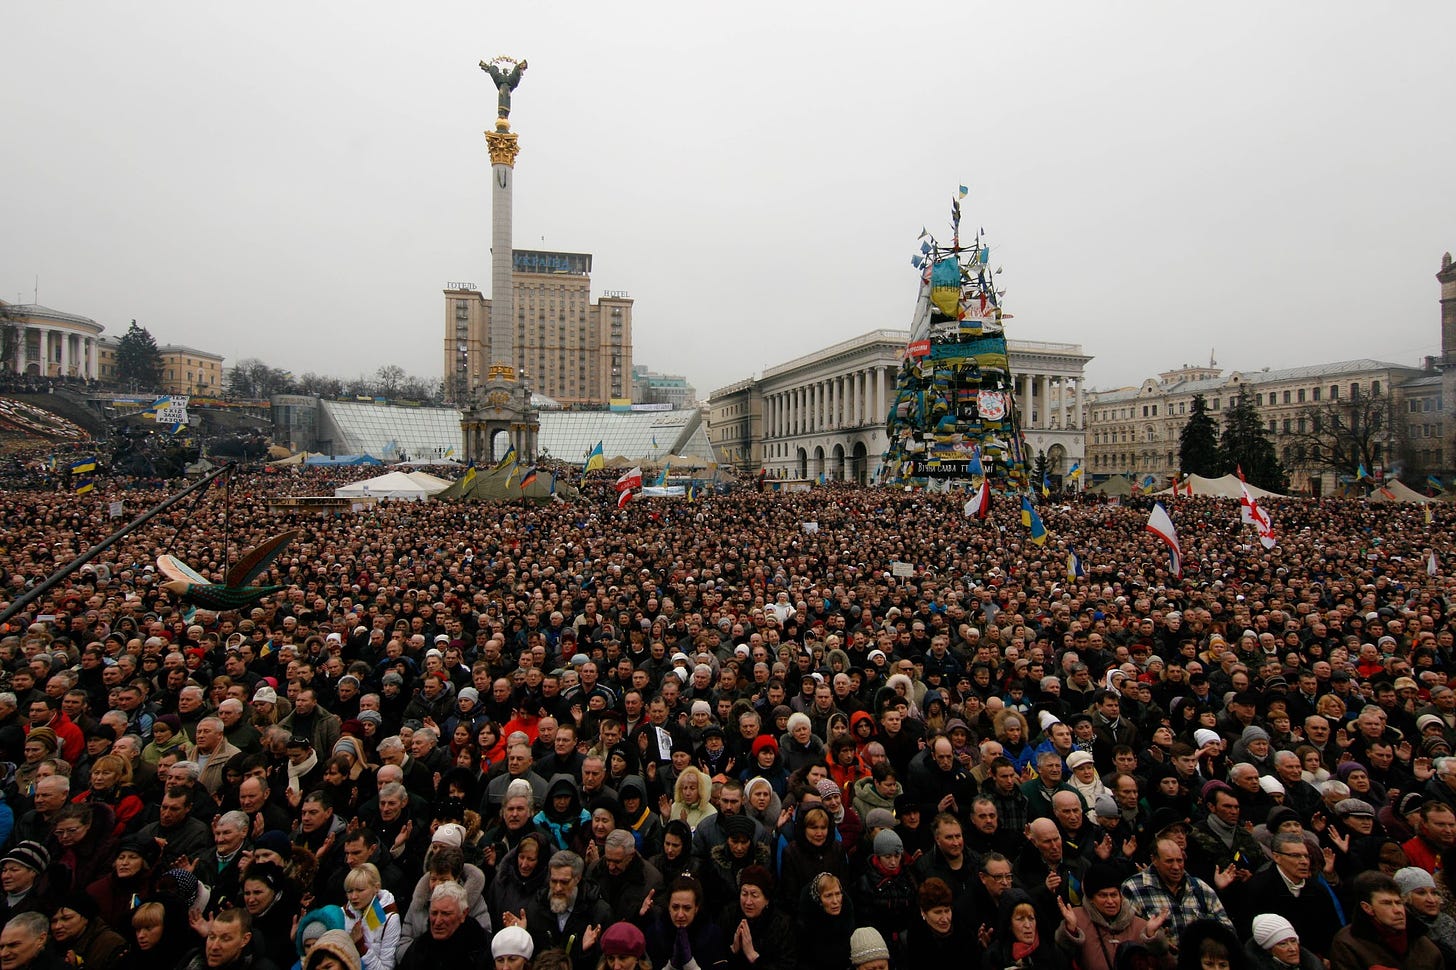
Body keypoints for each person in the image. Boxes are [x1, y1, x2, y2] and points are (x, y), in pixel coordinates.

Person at [1054, 863, 1169, 970]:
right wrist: (1070, 931)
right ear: (1091, 899)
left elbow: (1170, 965)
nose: (1110, 901)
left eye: (1114, 895)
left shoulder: (1142, 926)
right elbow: (1060, 962)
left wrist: (1153, 938)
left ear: (1121, 896)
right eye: (1103, 895)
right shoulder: (1077, 919)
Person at [1329, 870, 1443, 970]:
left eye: (1398, 903)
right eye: (1387, 903)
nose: (1397, 910)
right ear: (1367, 908)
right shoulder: (1347, 944)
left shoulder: (1423, 943)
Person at [397, 883, 490, 970]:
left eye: (446, 914)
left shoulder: (483, 948)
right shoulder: (419, 949)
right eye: (434, 913)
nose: (437, 921)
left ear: (463, 914)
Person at [645, 875, 727, 970]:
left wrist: (690, 965)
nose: (680, 914)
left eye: (687, 908)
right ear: (668, 906)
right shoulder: (654, 933)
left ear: (696, 908)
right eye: (675, 907)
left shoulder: (713, 935)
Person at [722, 866, 793, 970]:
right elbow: (714, 958)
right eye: (744, 894)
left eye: (754, 895)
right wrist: (732, 950)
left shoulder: (782, 924)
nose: (748, 902)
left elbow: (788, 964)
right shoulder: (729, 915)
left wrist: (754, 957)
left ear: (767, 899)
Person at [981, 889, 1070, 970]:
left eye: (1031, 918)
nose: (1028, 925)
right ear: (1009, 924)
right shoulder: (994, 957)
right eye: (1020, 919)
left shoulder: (1052, 952)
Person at [48, 892, 130, 970]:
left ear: (85, 918)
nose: (57, 926)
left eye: (66, 919)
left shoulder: (110, 944)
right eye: (53, 921)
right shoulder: (47, 945)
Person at [905, 877, 973, 968]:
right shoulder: (915, 940)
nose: (945, 919)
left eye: (947, 911)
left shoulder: (964, 933)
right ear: (923, 912)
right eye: (938, 912)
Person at [342, 864, 400, 970]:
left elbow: (386, 968)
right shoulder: (342, 913)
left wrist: (360, 946)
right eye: (349, 891)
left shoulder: (390, 918)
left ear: (376, 888)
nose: (353, 897)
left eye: (360, 890)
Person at [1242, 915, 1324, 970]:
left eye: (1293, 941)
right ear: (1268, 949)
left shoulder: (1312, 965)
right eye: (1283, 943)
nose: (1292, 949)